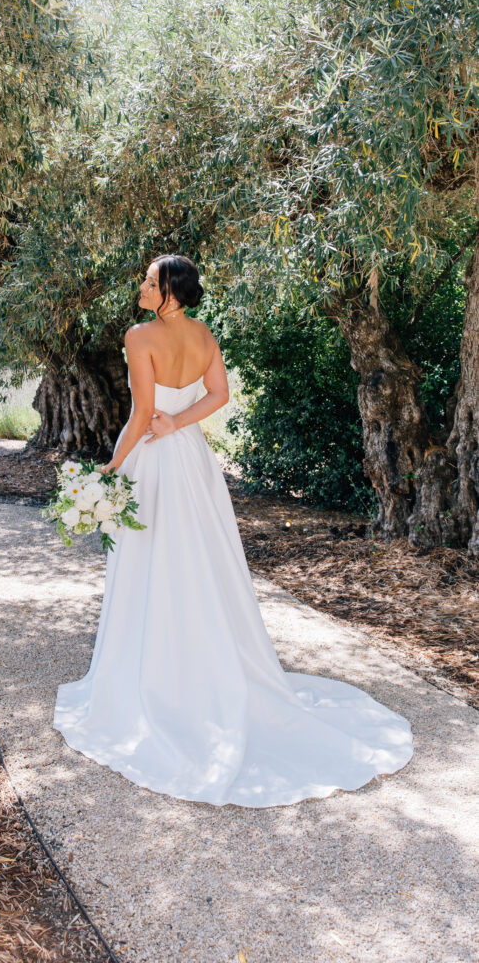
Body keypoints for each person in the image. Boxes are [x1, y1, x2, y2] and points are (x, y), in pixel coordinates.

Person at [53, 254, 414, 807]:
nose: (142, 287)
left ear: (171, 291)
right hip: (194, 460)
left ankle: (159, 674)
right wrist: (180, 423)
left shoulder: (139, 336)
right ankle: (206, 664)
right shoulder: (204, 336)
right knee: (202, 558)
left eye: (150, 282)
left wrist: (111, 467)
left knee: (155, 558)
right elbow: (218, 396)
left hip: (155, 461)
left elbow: (141, 412)